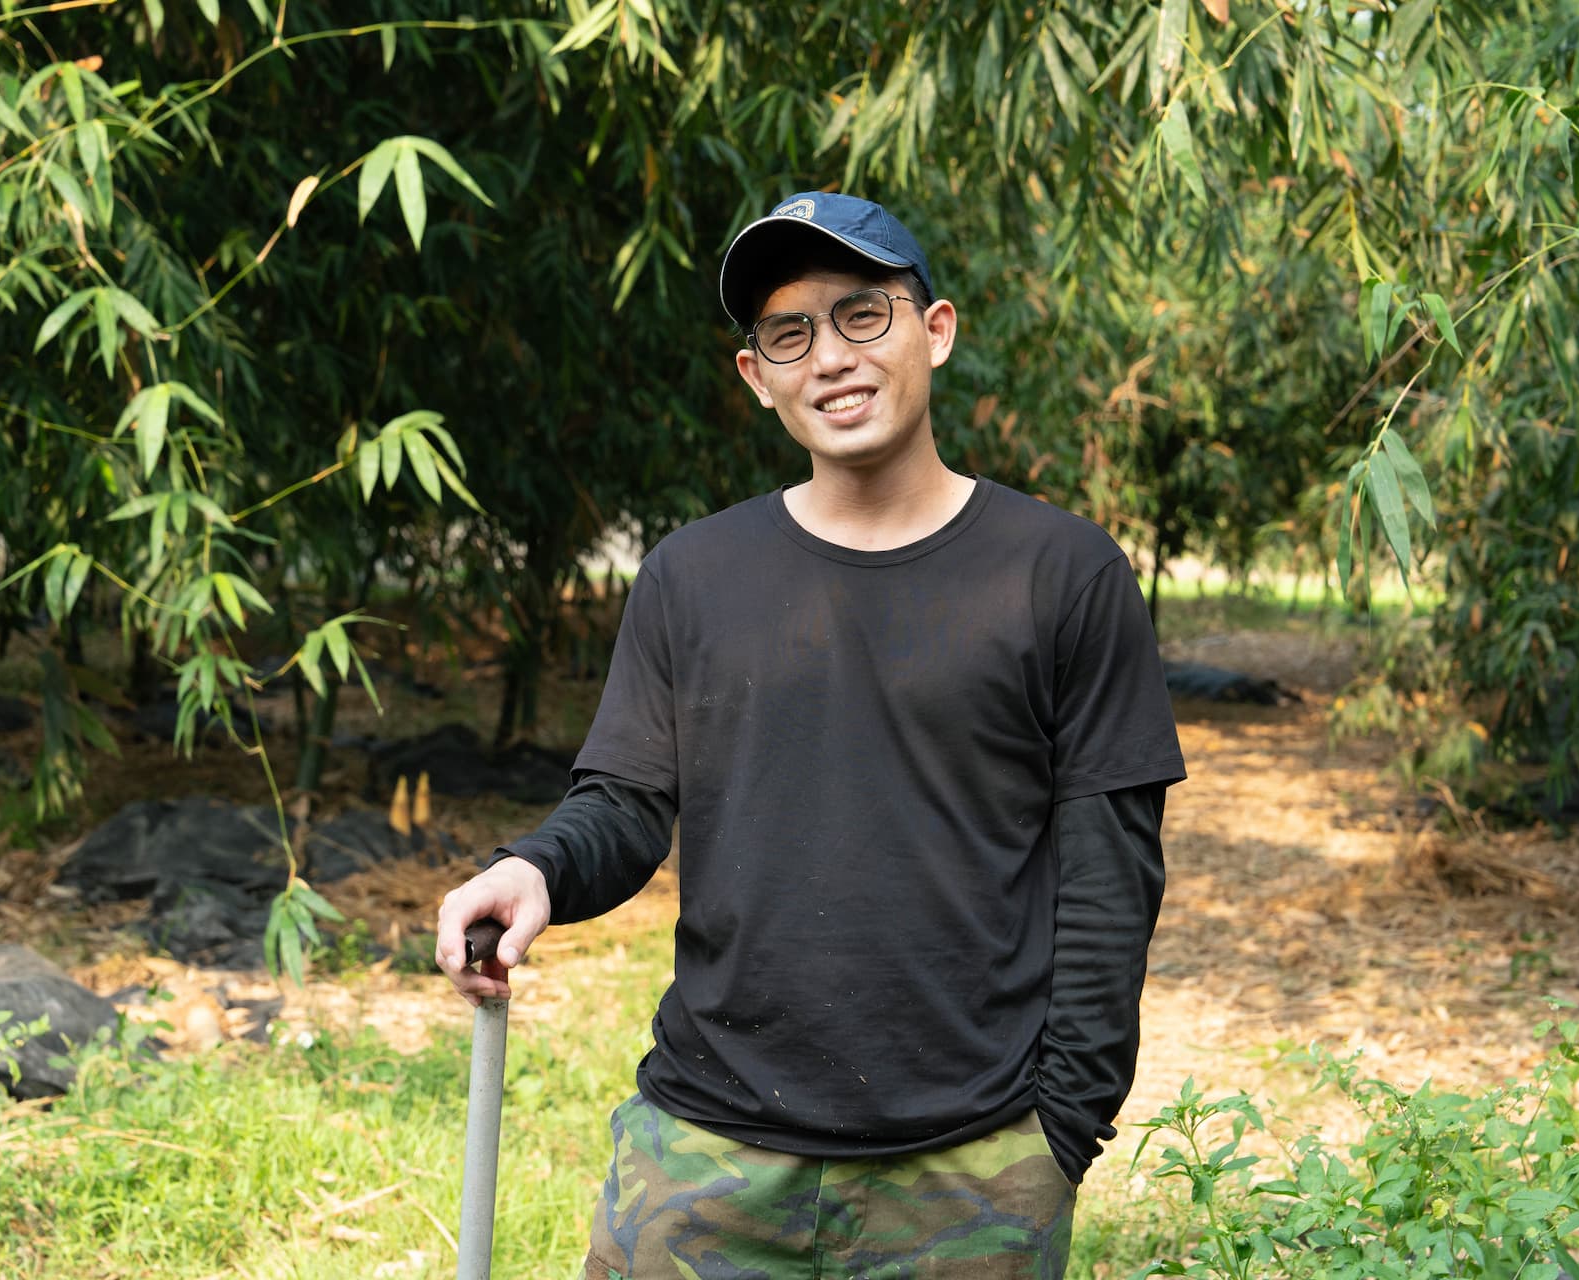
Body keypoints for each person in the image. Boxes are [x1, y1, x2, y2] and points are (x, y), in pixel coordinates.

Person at [436, 191, 1186, 1279]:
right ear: (757, 376)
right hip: (705, 1151)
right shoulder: (693, 576)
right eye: (789, 333)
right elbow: (628, 801)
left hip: (971, 1166)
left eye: (862, 313)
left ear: (936, 330)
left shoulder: (1063, 574)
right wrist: (535, 867)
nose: (830, 356)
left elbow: (1111, 879)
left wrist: (1059, 1132)